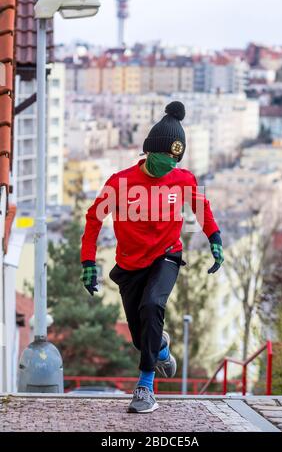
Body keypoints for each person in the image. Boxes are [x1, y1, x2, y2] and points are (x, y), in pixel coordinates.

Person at [80, 101, 224, 413]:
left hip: (167, 256)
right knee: (140, 335)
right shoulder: (119, 183)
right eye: (165, 156)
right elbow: (94, 220)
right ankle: (159, 348)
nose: (170, 163)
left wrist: (215, 239)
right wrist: (88, 262)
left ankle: (145, 387)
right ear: (149, 150)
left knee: (153, 305)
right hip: (131, 264)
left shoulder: (184, 179)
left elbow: (202, 209)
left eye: (176, 158)